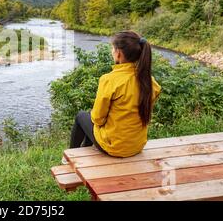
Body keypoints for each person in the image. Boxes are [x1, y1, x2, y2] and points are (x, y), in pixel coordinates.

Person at [65, 30, 162, 162]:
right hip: (136, 145)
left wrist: (98, 117)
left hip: (114, 147)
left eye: (112, 48)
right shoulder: (149, 81)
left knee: (81, 116)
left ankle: (70, 157)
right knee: (90, 122)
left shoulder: (110, 80)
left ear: (118, 54)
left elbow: (98, 119)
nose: (112, 51)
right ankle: (84, 152)